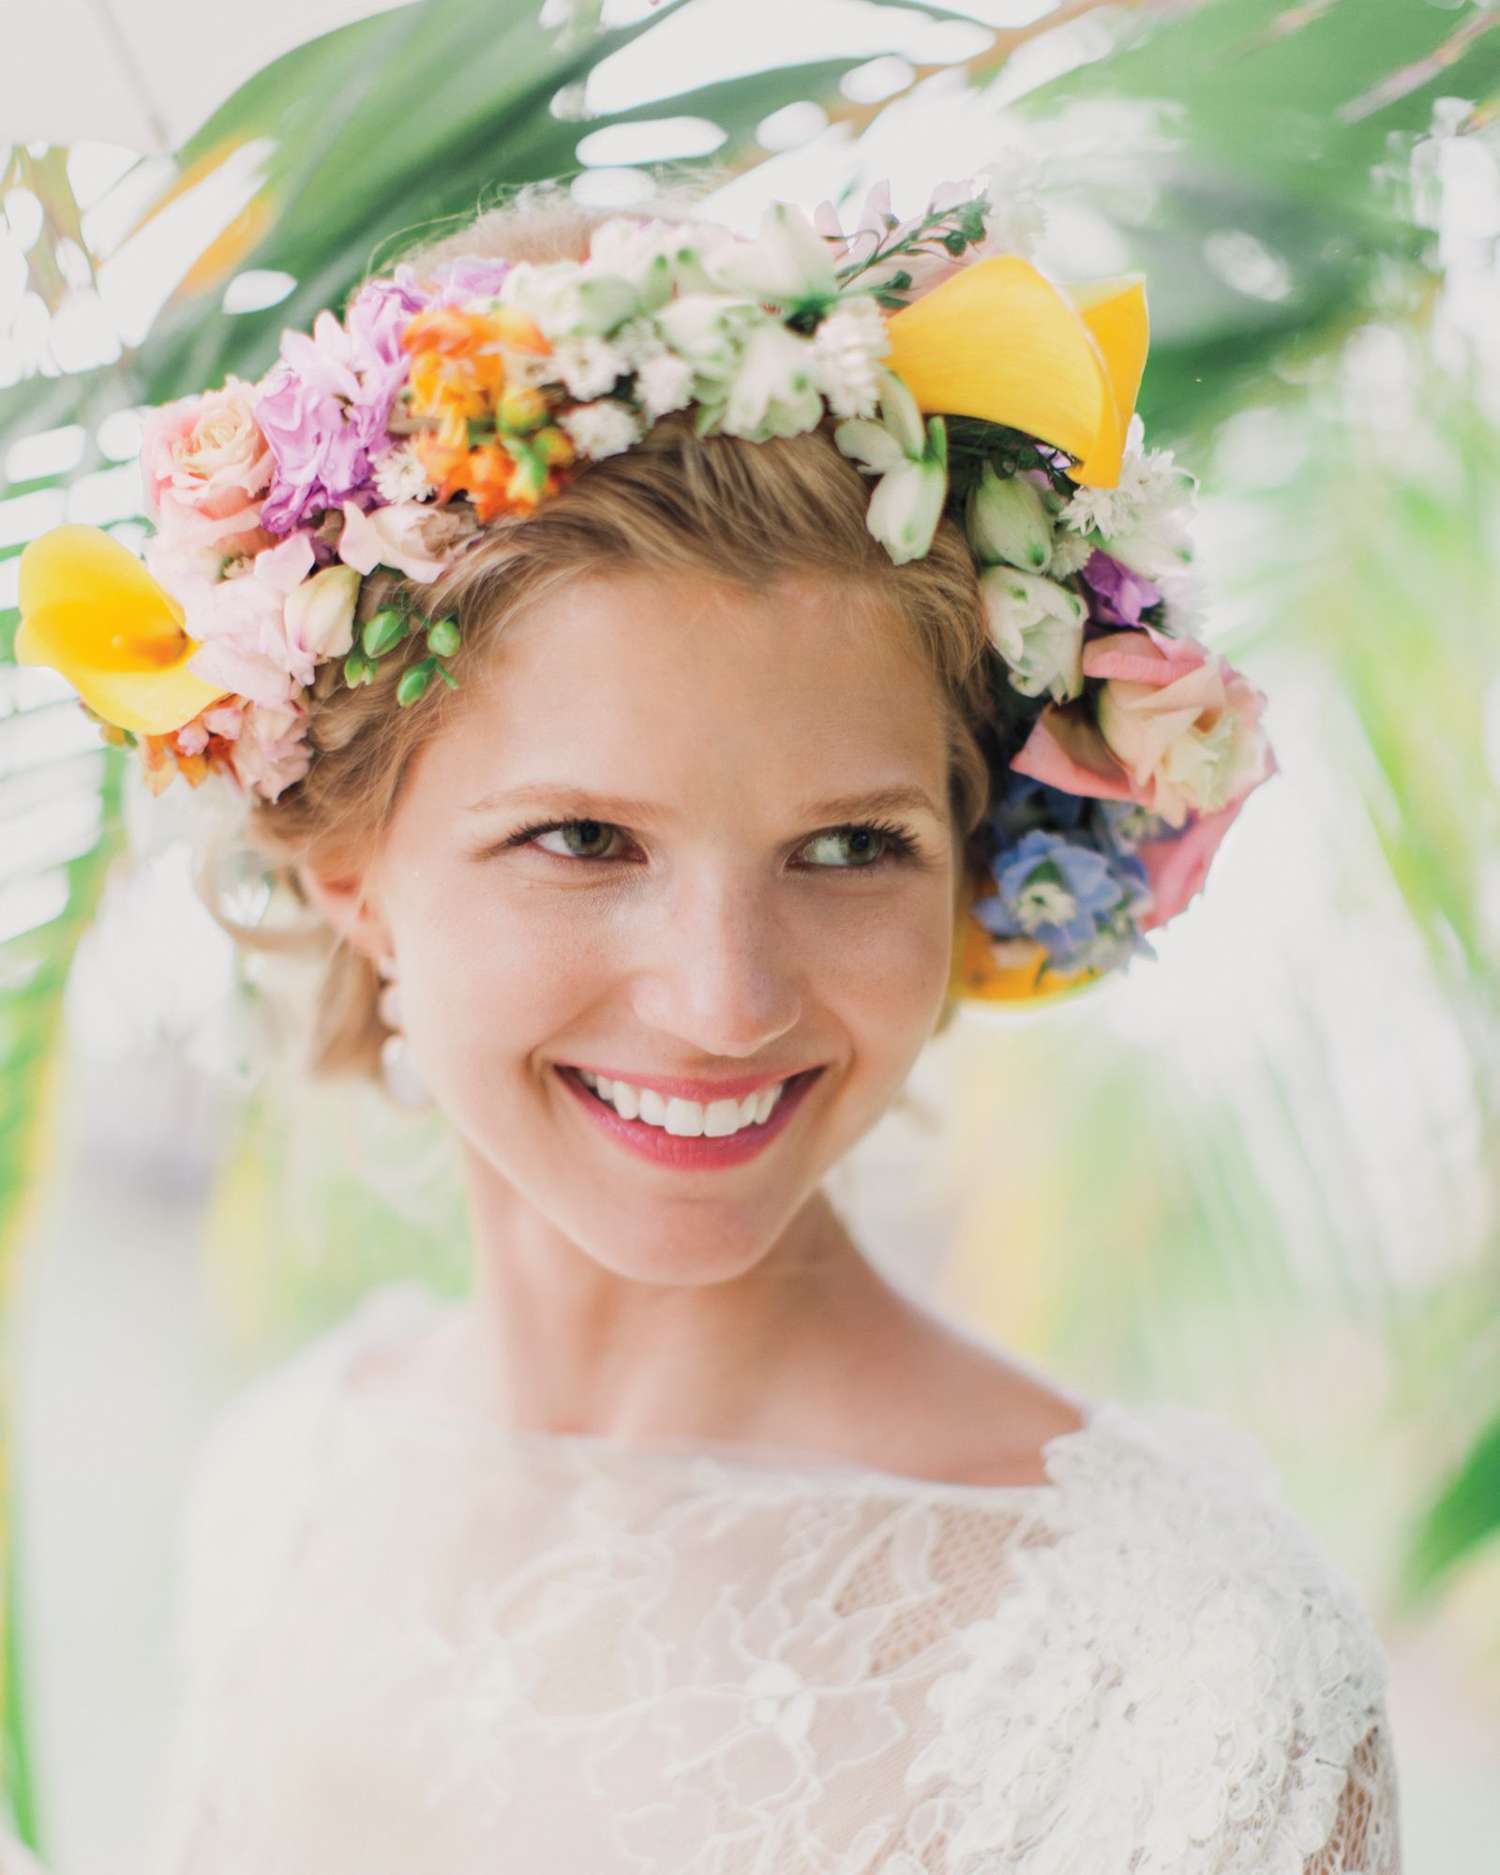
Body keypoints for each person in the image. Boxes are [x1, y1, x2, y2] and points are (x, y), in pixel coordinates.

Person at [14, 172, 1400, 1872]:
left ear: (972, 862)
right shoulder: (288, 1481)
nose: (726, 999)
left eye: (849, 846)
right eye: (584, 840)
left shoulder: (1179, 1669)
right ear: (349, 867)